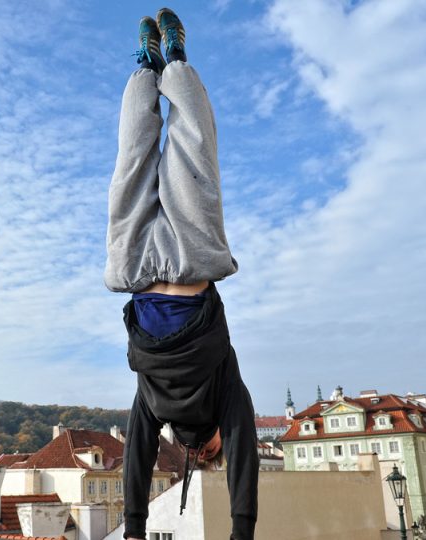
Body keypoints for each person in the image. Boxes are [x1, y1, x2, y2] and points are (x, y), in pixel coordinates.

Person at [104, 8, 259, 540]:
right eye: (207, 451)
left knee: (192, 150)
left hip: (190, 268)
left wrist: (243, 530)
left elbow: (242, 444)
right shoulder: (152, 401)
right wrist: (135, 529)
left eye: (206, 451)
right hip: (137, 274)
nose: (205, 447)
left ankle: (172, 61)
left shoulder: (219, 399)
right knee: (132, 162)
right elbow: (139, 456)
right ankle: (146, 71)